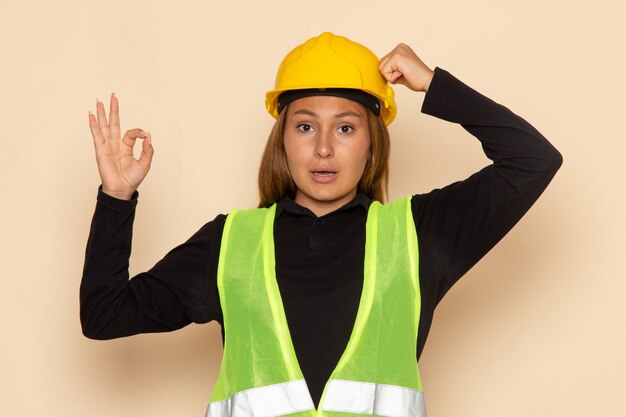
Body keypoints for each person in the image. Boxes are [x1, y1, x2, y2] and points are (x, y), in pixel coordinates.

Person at [81, 32, 562, 416]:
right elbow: (104, 315)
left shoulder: (418, 235)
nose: (325, 148)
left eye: (347, 127)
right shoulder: (230, 243)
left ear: (372, 143)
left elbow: (533, 160)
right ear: (282, 140)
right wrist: (117, 198)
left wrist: (434, 85)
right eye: (305, 125)